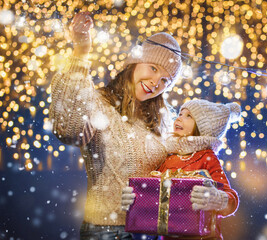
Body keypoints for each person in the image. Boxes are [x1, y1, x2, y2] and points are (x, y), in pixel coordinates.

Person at [49, 12, 182, 239]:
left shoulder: (163, 119)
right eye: (153, 68)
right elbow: (68, 129)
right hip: (107, 231)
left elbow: (180, 166)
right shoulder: (98, 103)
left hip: (151, 231)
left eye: (165, 81)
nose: (155, 83)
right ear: (135, 62)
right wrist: (81, 53)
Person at [122, 99, 241, 240]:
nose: (179, 118)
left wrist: (217, 199)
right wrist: (136, 198)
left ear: (203, 128)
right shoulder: (169, 158)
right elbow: (154, 192)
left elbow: (230, 199)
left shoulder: (207, 158)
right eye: (180, 113)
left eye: (188, 116)